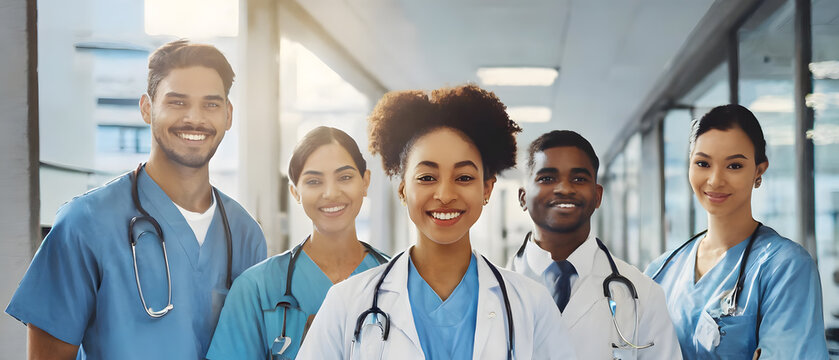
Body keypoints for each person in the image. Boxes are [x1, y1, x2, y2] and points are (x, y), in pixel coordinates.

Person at [5, 40, 267, 359]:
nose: (194, 118)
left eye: (210, 104)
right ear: (147, 108)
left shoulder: (244, 234)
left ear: (228, 114)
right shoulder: (84, 224)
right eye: (177, 102)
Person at [298, 84, 577, 360]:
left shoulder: (531, 304)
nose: (444, 195)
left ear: (487, 189)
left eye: (464, 177)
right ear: (403, 189)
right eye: (427, 177)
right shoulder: (347, 303)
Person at [644, 104, 829, 359]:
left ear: (759, 170)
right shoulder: (660, 272)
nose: (715, 180)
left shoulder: (785, 268)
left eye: (734, 166)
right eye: (702, 163)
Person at [207, 126, 389, 359]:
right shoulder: (256, 288)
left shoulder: (399, 279)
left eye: (345, 177)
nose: (331, 193)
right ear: (295, 192)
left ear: (365, 182)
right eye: (314, 181)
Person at [508, 130, 681, 360]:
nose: (564, 189)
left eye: (579, 179)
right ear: (522, 197)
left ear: (597, 196)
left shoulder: (644, 295)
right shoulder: (490, 291)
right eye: (547, 178)